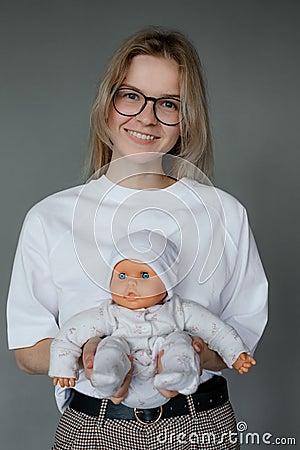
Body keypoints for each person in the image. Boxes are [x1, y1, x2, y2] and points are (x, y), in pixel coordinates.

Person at [7, 27, 268, 450]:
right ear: (107, 105)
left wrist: (190, 353)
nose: (146, 118)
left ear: (188, 119)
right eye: (131, 96)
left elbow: (241, 337)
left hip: (200, 426)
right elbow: (26, 349)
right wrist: (87, 352)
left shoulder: (224, 215)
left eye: (168, 104)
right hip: (93, 427)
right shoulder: (50, 218)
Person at [49, 230, 256, 409]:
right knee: (109, 345)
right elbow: (69, 335)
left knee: (180, 341)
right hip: (118, 395)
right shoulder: (107, 315)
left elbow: (217, 330)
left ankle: (179, 372)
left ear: (167, 282)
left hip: (177, 398)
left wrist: (236, 353)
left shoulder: (179, 311)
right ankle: (107, 376)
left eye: (144, 276)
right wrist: (63, 368)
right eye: (122, 276)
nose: (131, 284)